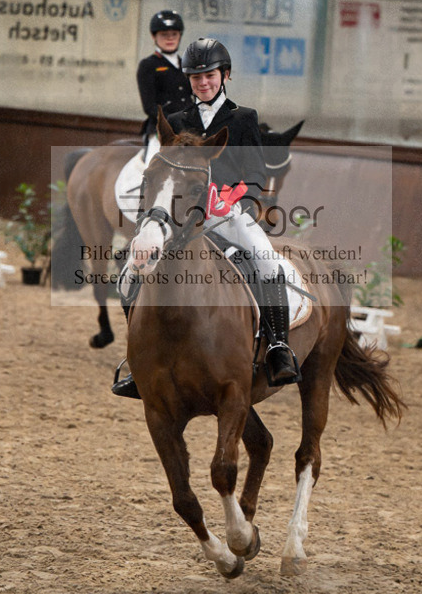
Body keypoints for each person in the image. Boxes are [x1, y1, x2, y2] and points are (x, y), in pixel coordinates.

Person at [112, 36, 301, 399]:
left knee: (266, 261)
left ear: (224, 75)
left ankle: (278, 347)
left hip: (226, 212)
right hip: (182, 216)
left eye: (209, 75)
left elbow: (256, 174)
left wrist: (236, 197)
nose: (203, 82)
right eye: (196, 77)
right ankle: (139, 359)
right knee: (130, 268)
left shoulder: (244, 119)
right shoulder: (178, 120)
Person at [136, 10, 192, 161]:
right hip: (161, 132)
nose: (170, 38)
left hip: (189, 130)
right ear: (154, 36)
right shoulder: (148, 65)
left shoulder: (187, 65)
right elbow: (149, 106)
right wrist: (174, 121)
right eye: (164, 34)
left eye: (174, 34)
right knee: (153, 169)